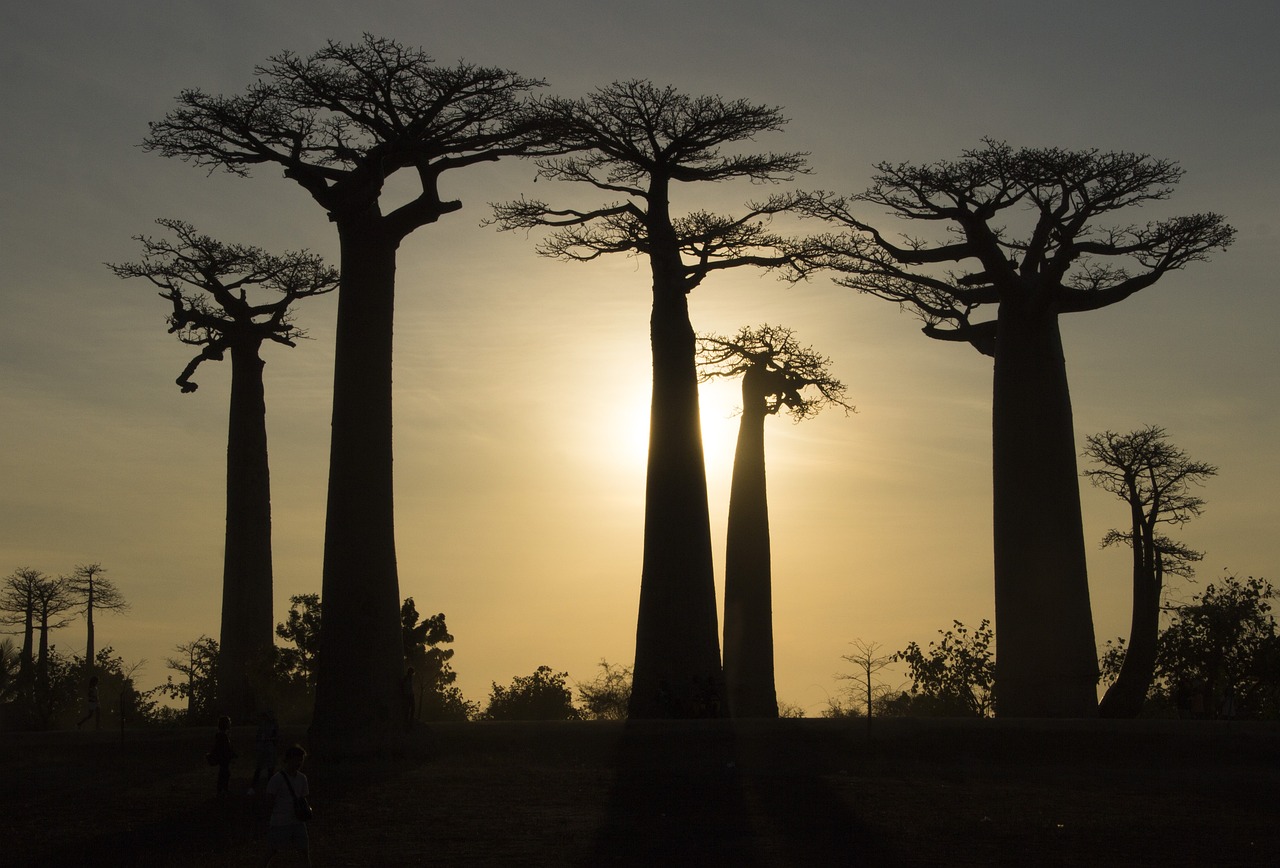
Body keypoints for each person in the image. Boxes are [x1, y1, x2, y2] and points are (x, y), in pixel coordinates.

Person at [263, 744, 312, 867]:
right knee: (272, 851)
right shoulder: (277, 779)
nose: (299, 763)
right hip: (281, 821)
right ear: (289, 759)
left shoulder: (302, 778)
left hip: (297, 820)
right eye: (296, 759)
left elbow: (303, 798)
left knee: (304, 851)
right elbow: (270, 801)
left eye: (301, 760)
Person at [249, 710, 279, 794]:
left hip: (269, 748)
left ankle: (270, 788)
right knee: (260, 768)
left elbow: (276, 737)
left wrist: (268, 739)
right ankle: (254, 787)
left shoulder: (272, 725)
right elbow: (258, 737)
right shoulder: (263, 725)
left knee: (269, 769)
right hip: (263, 748)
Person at [210, 715, 236, 797]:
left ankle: (222, 789)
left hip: (223, 757)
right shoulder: (223, 736)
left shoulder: (220, 735)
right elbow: (225, 748)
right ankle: (223, 790)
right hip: (224, 757)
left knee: (224, 772)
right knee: (224, 773)